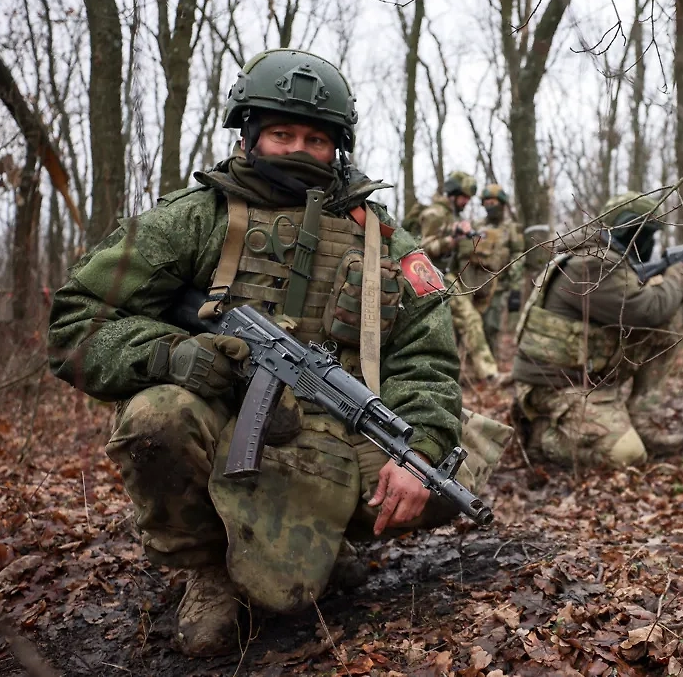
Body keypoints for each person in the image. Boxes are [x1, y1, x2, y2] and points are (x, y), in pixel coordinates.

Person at [47, 49, 466, 657]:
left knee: (446, 475)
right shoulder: (193, 221)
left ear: (338, 147)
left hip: (337, 426)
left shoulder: (384, 239)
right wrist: (172, 354)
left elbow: (425, 358)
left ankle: (322, 539)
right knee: (157, 416)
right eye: (281, 133)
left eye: (315, 138)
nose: (299, 149)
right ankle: (209, 568)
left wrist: (422, 448)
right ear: (249, 136)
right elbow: (75, 323)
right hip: (228, 420)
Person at [510, 191, 683, 469]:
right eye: (645, 235)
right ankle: (542, 435)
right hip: (553, 387)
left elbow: (651, 315)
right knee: (627, 455)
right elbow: (646, 310)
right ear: (629, 230)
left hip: (583, 378)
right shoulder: (592, 263)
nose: (648, 244)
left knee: (662, 331)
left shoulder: (602, 258)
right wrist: (678, 273)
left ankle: (639, 416)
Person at [417, 171, 499, 382]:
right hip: (429, 276)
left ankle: (470, 374)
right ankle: (487, 374)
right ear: (453, 193)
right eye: (463, 197)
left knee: (463, 322)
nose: (466, 202)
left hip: (447, 275)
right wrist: (451, 239)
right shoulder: (434, 213)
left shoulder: (453, 215)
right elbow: (422, 248)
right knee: (467, 320)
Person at [454, 184, 524, 357]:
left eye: (493, 202)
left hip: (498, 286)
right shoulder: (476, 225)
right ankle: (471, 365)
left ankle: (491, 366)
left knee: (491, 326)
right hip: (474, 284)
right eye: (486, 202)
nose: (489, 206)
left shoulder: (511, 228)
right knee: (470, 324)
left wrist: (516, 287)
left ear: (501, 204)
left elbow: (518, 256)